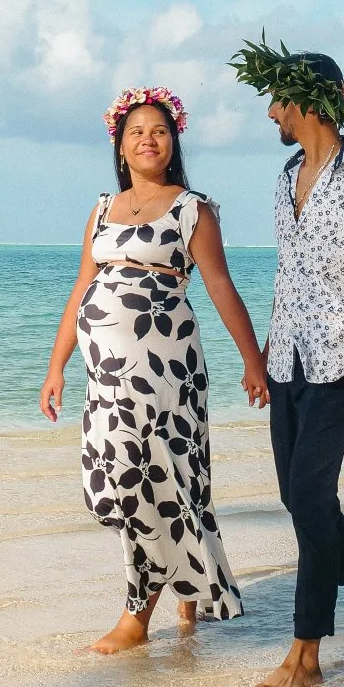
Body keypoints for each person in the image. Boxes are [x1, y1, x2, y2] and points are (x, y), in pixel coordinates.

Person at [40, 86, 270, 654]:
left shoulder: (192, 210)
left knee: (157, 481)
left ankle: (136, 618)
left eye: (159, 131)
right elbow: (82, 286)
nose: (148, 139)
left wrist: (253, 361)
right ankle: (185, 585)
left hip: (166, 368)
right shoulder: (102, 209)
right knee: (118, 483)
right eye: (137, 131)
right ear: (120, 145)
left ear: (174, 143)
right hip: (106, 378)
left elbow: (220, 286)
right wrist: (56, 366)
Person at [229, 37, 344, 687]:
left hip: (342, 364)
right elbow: (289, 275)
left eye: (277, 100)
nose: (271, 112)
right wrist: (262, 358)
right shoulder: (283, 178)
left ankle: (305, 654)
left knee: (307, 496)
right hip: (287, 360)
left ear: (307, 102)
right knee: (299, 497)